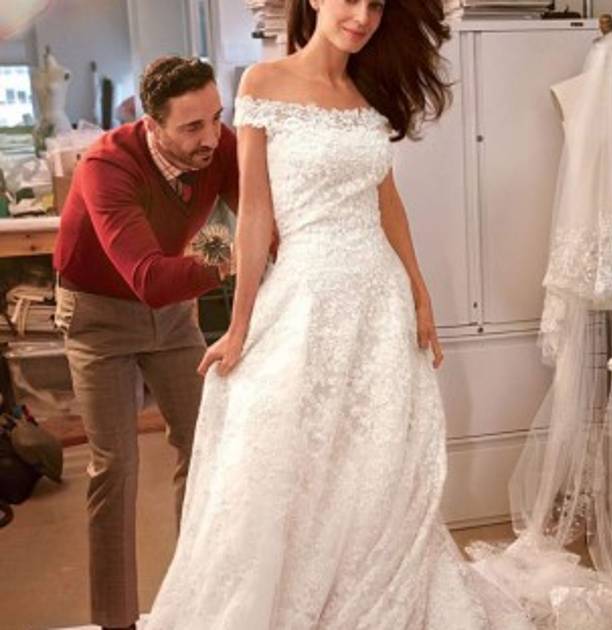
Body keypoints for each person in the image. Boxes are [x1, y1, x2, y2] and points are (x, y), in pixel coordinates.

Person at [144, 1, 531, 628]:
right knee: (295, 463)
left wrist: (420, 291)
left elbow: (387, 201)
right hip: (305, 298)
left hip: (379, 302)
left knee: (375, 466)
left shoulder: (369, 92)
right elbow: (255, 215)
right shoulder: (262, 84)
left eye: (375, 4)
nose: (363, 15)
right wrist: (239, 327)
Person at [52, 56, 236, 630]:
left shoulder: (219, 145)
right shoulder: (106, 165)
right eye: (192, 126)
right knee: (115, 466)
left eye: (217, 118)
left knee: (204, 448)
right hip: (98, 317)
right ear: (152, 124)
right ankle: (117, 621)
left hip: (172, 317)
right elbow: (149, 279)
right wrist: (230, 259)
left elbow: (261, 213)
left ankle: (194, 599)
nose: (211, 138)